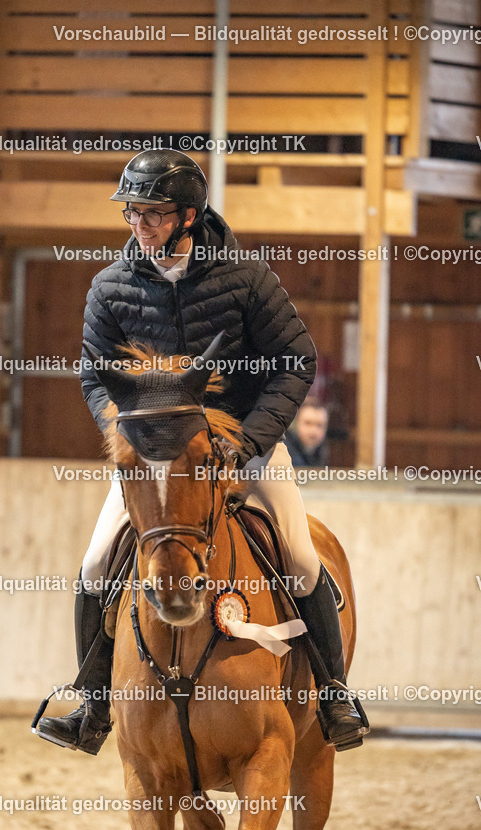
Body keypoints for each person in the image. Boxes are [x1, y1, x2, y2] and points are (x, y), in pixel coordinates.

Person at [36, 150, 368, 755]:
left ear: (190, 215)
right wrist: (129, 439)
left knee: (297, 555)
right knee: (93, 565)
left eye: (154, 214)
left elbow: (296, 362)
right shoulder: (109, 287)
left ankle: (334, 693)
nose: (140, 224)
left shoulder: (246, 278)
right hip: (155, 458)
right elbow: (94, 376)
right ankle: (91, 701)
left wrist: (248, 442)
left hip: (243, 445)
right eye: (133, 212)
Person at [285, 396, 330, 468]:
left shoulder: (322, 451)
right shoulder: (284, 450)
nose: (313, 431)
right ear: (296, 424)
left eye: (319, 425)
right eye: (308, 423)